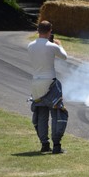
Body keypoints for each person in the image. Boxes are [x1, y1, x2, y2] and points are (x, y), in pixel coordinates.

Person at [27, 20, 68, 154]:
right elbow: (64, 57)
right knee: (57, 113)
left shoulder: (30, 46)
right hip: (49, 81)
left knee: (41, 114)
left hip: (36, 83)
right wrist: (59, 45)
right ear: (50, 31)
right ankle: (56, 145)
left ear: (38, 31)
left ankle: (44, 143)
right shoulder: (53, 46)